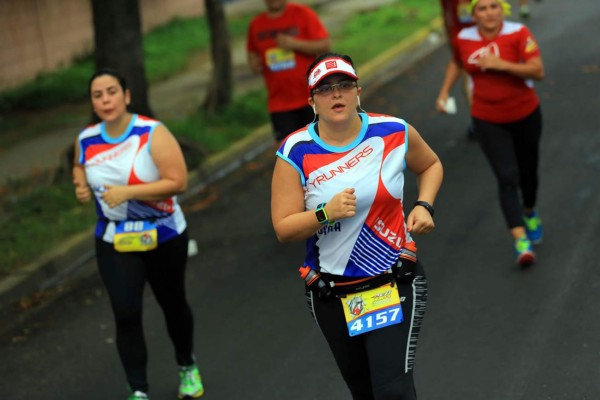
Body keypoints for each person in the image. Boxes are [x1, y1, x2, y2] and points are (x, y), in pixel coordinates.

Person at [271, 52, 443, 399]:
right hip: (332, 292)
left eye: (344, 85)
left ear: (358, 91)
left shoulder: (393, 130)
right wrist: (325, 213)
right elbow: (284, 228)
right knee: (364, 392)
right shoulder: (296, 150)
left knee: (393, 389)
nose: (337, 94)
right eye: (326, 89)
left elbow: (431, 165)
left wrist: (424, 205)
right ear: (312, 101)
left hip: (394, 280)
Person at [72, 68, 204, 400]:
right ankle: (138, 390)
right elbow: (79, 164)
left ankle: (187, 365)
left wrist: (128, 192)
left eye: (112, 92)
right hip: (114, 239)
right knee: (126, 312)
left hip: (163, 235)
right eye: (98, 95)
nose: (106, 100)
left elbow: (178, 182)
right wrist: (79, 184)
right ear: (92, 102)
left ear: (126, 95)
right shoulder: (87, 138)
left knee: (172, 304)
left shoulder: (150, 133)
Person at [435, 0, 544, 266]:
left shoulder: (518, 33)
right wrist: (444, 91)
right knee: (507, 177)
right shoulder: (464, 37)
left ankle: (529, 211)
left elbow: (537, 70)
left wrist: (501, 64)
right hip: (487, 118)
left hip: (525, 114)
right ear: (473, 14)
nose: (489, 13)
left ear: (503, 10)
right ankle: (521, 241)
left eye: (494, 6)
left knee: (527, 172)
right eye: (481, 8)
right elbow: (457, 63)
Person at [246, 0, 331, 142]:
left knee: (324, 148)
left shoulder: (303, 14)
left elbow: (325, 45)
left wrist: (294, 44)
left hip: (312, 98)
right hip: (279, 104)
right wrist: (254, 64)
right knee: (289, 156)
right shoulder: (256, 24)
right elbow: (252, 55)